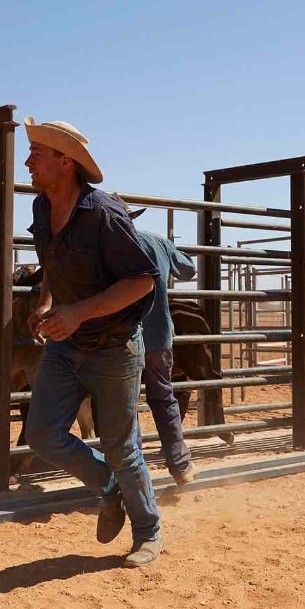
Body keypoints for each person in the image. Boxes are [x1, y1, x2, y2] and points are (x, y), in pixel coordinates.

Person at [22, 115, 164, 568]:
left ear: (65, 162)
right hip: (66, 343)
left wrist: (78, 311)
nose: (27, 163)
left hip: (113, 346)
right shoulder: (42, 208)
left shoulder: (104, 213)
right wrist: (46, 303)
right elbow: (53, 263)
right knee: (42, 434)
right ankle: (109, 490)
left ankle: (148, 533)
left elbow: (143, 280)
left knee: (121, 444)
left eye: (36, 155)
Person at [111, 195, 198, 485]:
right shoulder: (155, 241)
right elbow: (188, 268)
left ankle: (135, 475)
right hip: (159, 336)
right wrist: (168, 253)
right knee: (163, 397)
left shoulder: (109, 247)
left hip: (125, 339)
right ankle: (180, 464)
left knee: (127, 405)